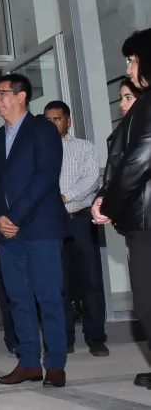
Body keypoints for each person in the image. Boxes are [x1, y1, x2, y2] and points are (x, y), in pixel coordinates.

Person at [0, 74, 66, 388]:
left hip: (40, 227)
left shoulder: (43, 130)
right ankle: (29, 362)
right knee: (18, 298)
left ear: (21, 96)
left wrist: (14, 216)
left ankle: (55, 364)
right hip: (7, 233)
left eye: (2, 93)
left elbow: (45, 176)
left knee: (49, 297)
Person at [94, 29, 151, 389]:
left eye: (132, 60)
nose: (129, 69)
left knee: (147, 305)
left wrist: (110, 206)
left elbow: (138, 161)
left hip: (147, 222)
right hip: (142, 218)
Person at [42, 101, 108, 357]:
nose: (52, 124)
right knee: (58, 283)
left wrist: (64, 197)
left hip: (81, 220)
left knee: (91, 281)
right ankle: (64, 339)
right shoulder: (38, 149)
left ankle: (96, 338)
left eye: (57, 119)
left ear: (67, 121)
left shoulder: (84, 147)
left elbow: (91, 180)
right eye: (47, 119)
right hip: (51, 222)